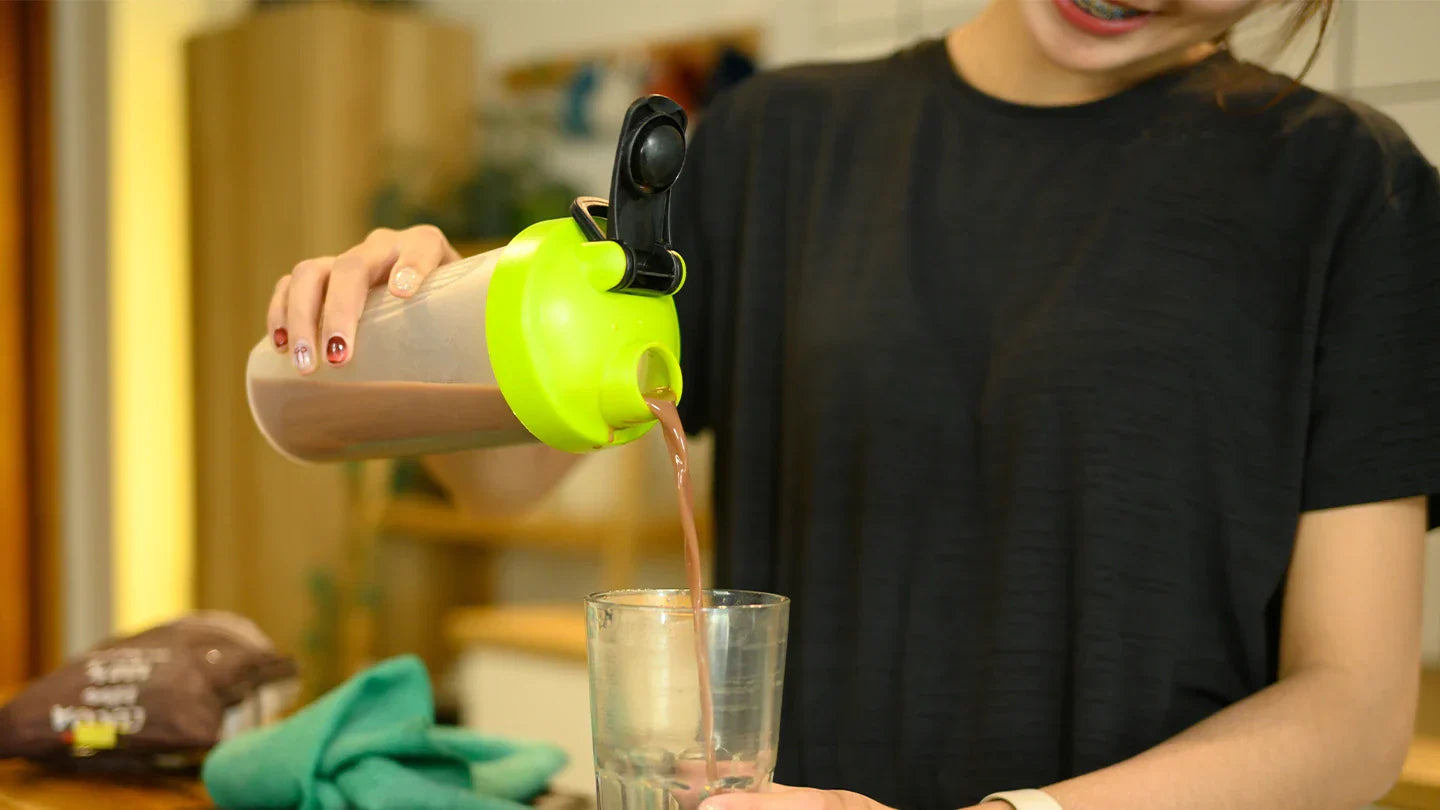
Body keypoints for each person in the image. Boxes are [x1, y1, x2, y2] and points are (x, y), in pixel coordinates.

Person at [263, 0, 1440, 807]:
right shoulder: (777, 143)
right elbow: (505, 477)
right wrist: (436, 323)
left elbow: (1356, 708)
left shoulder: (1353, 192)